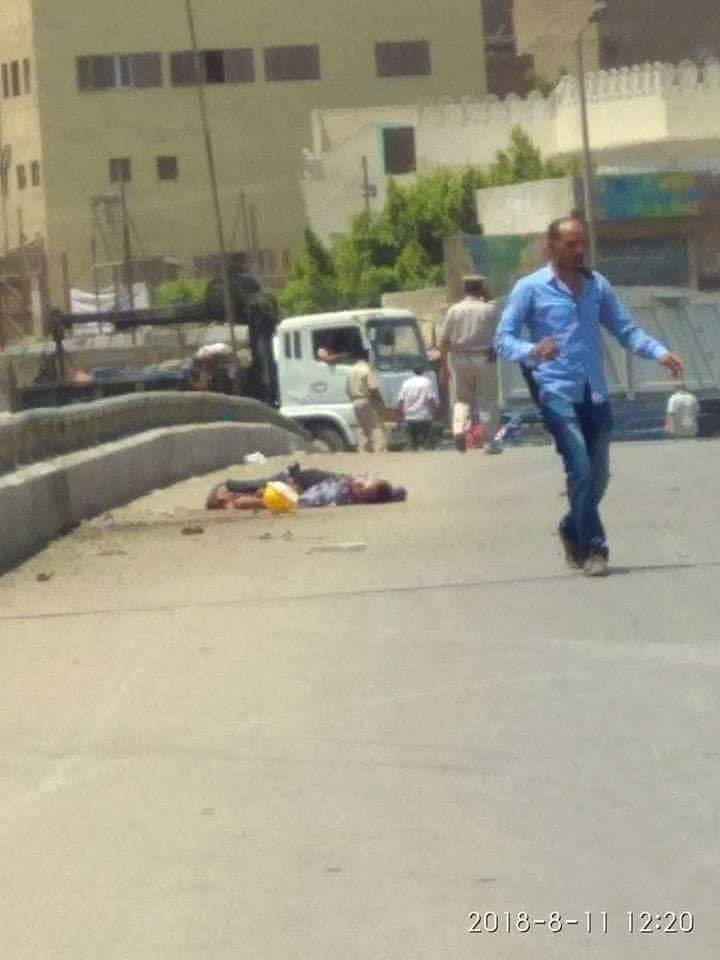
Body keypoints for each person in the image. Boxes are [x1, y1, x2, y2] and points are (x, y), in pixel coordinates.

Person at [495, 216, 684, 577]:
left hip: (594, 393)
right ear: (551, 246)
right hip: (555, 390)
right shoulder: (530, 288)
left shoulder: (597, 285)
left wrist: (660, 353)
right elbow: (503, 339)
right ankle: (594, 547)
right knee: (579, 468)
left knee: (599, 477)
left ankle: (572, 526)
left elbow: (626, 329)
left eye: (582, 243)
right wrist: (533, 350)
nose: (579, 250)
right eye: (571, 244)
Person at [439, 274, 502, 454]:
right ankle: (490, 442)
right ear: (481, 288)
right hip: (484, 357)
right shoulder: (489, 309)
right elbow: (501, 331)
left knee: (462, 399)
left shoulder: (454, 310)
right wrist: (487, 295)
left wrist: (443, 365)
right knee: (487, 400)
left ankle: (459, 429)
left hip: (459, 357)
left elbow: (444, 340)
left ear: (464, 289)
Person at [206, 463, 407, 510]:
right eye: (364, 478)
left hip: (297, 488)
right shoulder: (346, 485)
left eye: (362, 485)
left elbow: (303, 501)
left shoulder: (337, 494)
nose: (358, 480)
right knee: (259, 488)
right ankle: (230, 494)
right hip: (300, 481)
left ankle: (229, 497)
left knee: (264, 493)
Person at [346, 348, 388, 453]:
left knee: (363, 428)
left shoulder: (351, 370)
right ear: (367, 357)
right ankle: (379, 452)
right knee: (376, 427)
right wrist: (381, 402)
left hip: (355, 402)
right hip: (366, 401)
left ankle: (363, 452)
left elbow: (347, 390)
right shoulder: (366, 370)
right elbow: (373, 388)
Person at [396, 364, 439, 450]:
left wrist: (400, 417)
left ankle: (413, 452)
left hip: (410, 417)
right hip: (424, 417)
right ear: (423, 371)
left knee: (412, 442)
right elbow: (431, 399)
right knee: (427, 443)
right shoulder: (426, 382)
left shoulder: (406, 383)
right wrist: (434, 410)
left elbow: (400, 400)